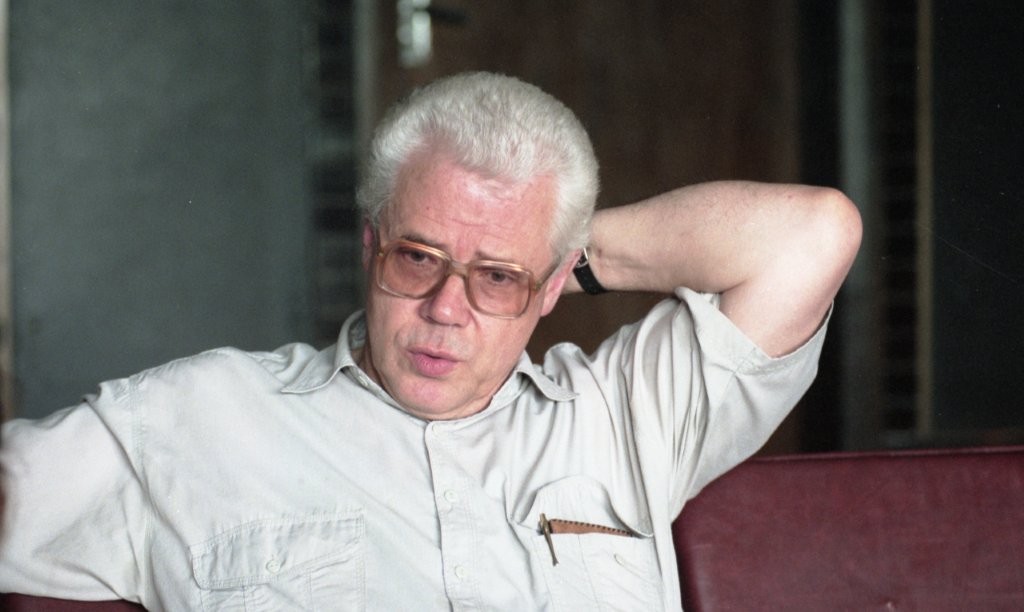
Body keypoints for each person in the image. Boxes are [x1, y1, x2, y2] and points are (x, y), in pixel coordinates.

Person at [0, 72, 861, 610]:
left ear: (554, 285)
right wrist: (506, 262)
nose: (448, 309)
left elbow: (813, 235)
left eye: (496, 280)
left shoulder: (623, 417)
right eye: (419, 257)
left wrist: (544, 256)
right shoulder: (198, 418)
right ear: (371, 244)